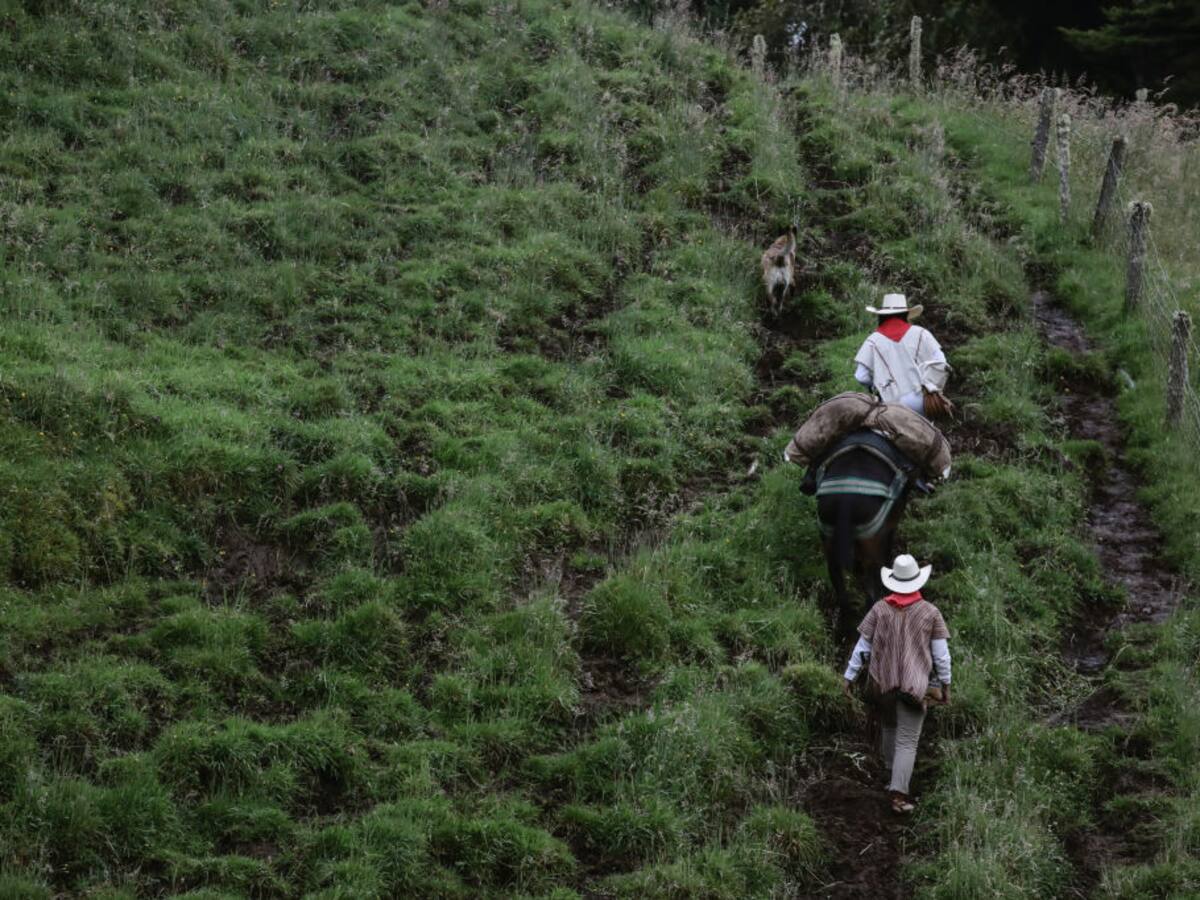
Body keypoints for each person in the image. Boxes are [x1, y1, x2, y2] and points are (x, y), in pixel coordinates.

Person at [842, 553, 951, 814]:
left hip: (883, 682)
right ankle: (898, 795)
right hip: (914, 686)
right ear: (917, 582)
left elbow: (862, 649)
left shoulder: (879, 609)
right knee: (907, 741)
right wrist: (945, 687)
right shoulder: (930, 613)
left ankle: (890, 774)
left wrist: (848, 678)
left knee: (889, 725)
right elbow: (941, 656)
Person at [854, 293, 951, 418]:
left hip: (891, 403)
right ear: (905, 314)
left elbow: (860, 376)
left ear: (882, 316)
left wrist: (876, 385)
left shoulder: (872, 340)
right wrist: (930, 384)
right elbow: (941, 362)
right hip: (921, 399)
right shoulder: (921, 333)